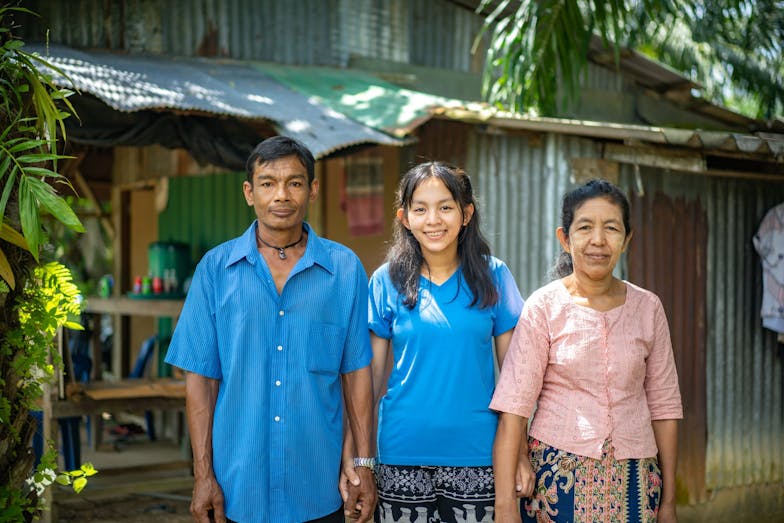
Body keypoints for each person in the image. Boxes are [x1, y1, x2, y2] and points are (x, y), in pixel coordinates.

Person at [165, 136, 377, 523]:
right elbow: (201, 381)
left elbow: (357, 375)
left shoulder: (345, 270)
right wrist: (202, 475)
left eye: (295, 182)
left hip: (319, 489)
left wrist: (364, 464)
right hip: (236, 490)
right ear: (249, 192)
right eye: (267, 183)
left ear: (312, 189)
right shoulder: (215, 271)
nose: (281, 195)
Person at [491, 179, 683, 523]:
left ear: (626, 239)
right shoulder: (544, 307)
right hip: (556, 484)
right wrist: (506, 508)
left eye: (611, 228)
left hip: (636, 485)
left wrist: (668, 503)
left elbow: (665, 408)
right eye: (585, 228)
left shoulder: (648, 308)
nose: (598, 240)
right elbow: (513, 411)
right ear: (564, 238)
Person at [359, 161, 524, 522]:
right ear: (405, 217)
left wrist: (520, 455)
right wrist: (361, 459)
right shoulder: (385, 281)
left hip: (479, 455)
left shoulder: (494, 276)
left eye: (445, 207)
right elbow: (367, 382)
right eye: (421, 209)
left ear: (466, 214)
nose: (433, 219)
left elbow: (516, 381)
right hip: (401, 455)